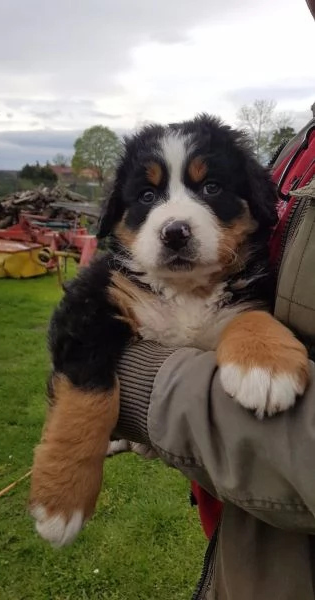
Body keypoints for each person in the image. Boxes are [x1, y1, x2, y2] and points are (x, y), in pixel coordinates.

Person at [110, 4, 315, 597]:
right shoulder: (303, 140)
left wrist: (146, 385)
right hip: (248, 557)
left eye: (210, 187)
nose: (177, 219)